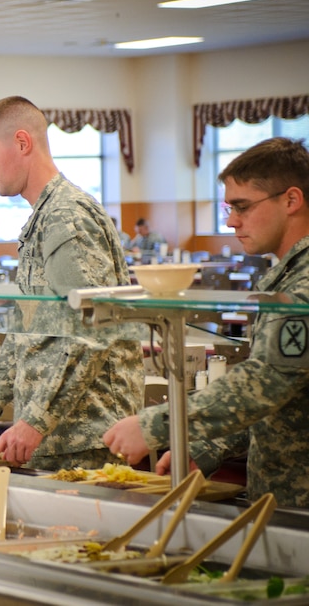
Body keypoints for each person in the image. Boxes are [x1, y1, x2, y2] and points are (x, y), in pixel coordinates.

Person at [105, 137, 309, 508]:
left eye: (242, 207)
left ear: (291, 200)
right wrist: (209, 446)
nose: (231, 221)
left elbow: (265, 383)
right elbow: (279, 401)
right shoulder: (287, 275)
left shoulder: (305, 283)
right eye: (229, 208)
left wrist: (155, 426)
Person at [0, 96, 143, 470]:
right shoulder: (43, 218)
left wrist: (35, 420)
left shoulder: (65, 218)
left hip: (87, 436)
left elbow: (90, 335)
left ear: (22, 143)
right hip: (56, 433)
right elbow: (26, 333)